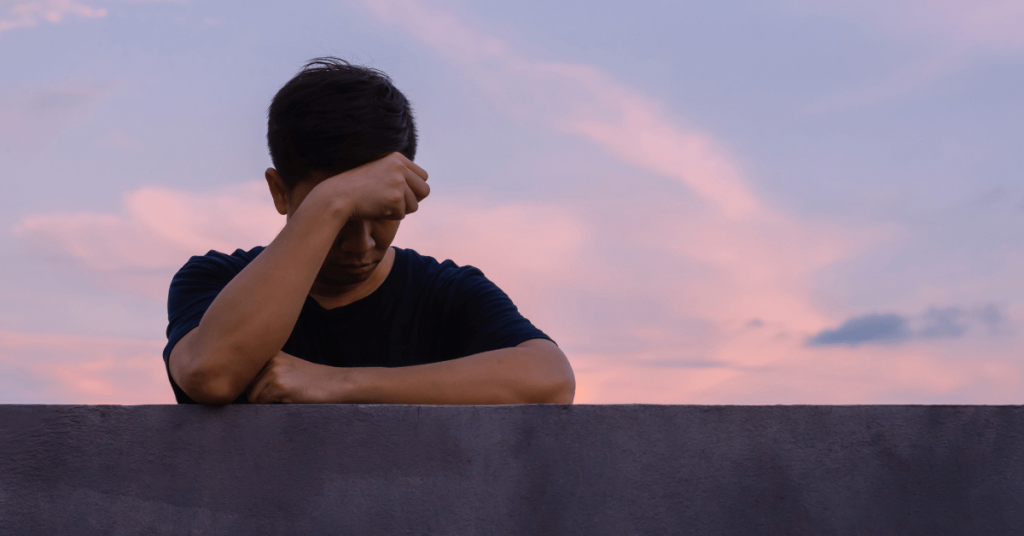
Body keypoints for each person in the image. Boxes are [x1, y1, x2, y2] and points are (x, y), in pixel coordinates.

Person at [162, 58, 575, 405]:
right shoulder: (215, 279)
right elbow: (210, 375)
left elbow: (551, 380)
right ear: (280, 191)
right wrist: (331, 202)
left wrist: (338, 384)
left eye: (381, 212)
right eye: (341, 214)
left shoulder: (446, 292)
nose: (362, 244)